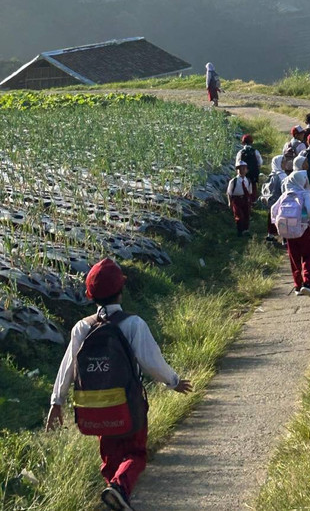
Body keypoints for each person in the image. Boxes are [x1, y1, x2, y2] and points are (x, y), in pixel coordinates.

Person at [46, 258, 192, 511]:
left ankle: (116, 496)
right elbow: (152, 362)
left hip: (94, 406)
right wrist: (174, 382)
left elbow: (67, 365)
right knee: (135, 454)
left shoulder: (82, 327)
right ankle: (119, 489)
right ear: (121, 291)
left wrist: (56, 402)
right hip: (129, 402)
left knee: (110, 458)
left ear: (90, 295)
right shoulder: (133, 324)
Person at [270, 170, 310, 297]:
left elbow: (273, 210)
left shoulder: (285, 195)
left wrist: (277, 224)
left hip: (288, 233)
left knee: (294, 259)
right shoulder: (304, 194)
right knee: (308, 256)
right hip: (303, 230)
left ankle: (297, 285)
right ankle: (307, 284)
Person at [261, 155, 286, 243]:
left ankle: (270, 236)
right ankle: (285, 238)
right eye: (283, 162)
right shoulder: (281, 176)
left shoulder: (271, 175)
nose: (285, 163)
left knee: (272, 219)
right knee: (282, 220)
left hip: (271, 203)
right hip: (280, 201)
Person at [227, 160, 253, 236]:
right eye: (239, 169)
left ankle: (246, 230)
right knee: (239, 215)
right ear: (236, 170)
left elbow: (249, 192)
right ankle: (240, 231)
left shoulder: (247, 180)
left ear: (247, 170)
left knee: (246, 214)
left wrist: (249, 200)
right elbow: (229, 193)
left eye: (243, 169)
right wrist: (229, 202)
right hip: (237, 200)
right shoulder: (234, 181)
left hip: (245, 199)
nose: (241, 171)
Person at [235, 134, 263, 202]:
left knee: (243, 185)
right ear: (252, 142)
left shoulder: (241, 152)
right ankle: (253, 200)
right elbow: (260, 162)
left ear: (243, 143)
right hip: (253, 172)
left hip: (243, 172)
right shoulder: (255, 151)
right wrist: (257, 167)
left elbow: (237, 163)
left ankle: (244, 200)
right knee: (253, 186)